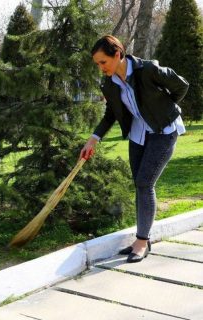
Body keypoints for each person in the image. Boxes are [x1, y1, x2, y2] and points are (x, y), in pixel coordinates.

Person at [81, 35, 189, 263]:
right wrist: (93, 139)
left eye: (103, 62)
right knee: (139, 184)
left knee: (145, 182)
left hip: (164, 131)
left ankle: (142, 241)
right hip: (139, 134)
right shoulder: (110, 84)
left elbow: (181, 85)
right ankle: (142, 237)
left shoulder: (147, 69)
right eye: (97, 64)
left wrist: (166, 108)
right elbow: (111, 114)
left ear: (118, 54)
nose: (101, 68)